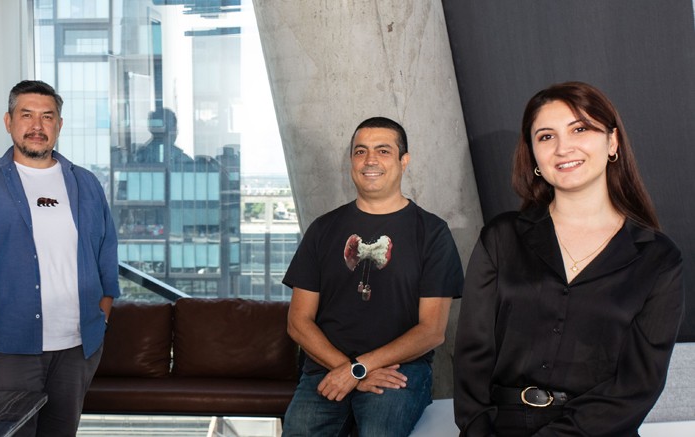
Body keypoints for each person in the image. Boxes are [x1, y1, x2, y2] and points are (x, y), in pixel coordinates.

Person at [453, 81, 685, 436]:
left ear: (612, 142)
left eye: (580, 129)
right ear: (533, 154)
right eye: (546, 136)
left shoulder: (658, 258)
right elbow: (473, 354)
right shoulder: (501, 237)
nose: (563, 148)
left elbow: (637, 384)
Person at [0, 80, 120, 436]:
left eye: (47, 116)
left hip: (76, 349)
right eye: (27, 115)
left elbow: (107, 258)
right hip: (4, 348)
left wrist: (101, 319)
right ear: (9, 121)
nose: (37, 126)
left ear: (59, 125)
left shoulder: (86, 183)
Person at [281, 117, 464, 436]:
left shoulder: (432, 233)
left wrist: (359, 368)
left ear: (403, 161)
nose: (370, 160)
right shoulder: (323, 229)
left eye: (383, 150)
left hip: (399, 371)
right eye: (360, 151)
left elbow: (432, 331)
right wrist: (348, 369)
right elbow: (298, 321)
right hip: (325, 367)